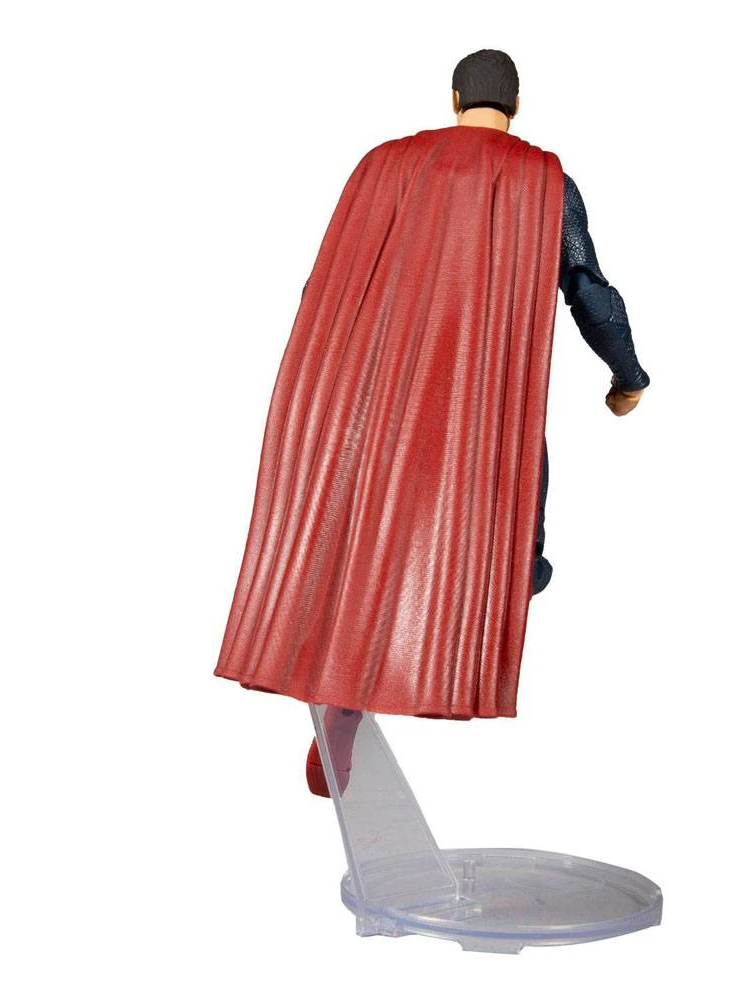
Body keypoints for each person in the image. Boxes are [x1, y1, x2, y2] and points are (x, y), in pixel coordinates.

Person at [211, 50, 650, 794]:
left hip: (368, 399)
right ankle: (432, 649)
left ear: (453, 98)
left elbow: (330, 281)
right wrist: (627, 375)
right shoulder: (547, 185)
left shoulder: (385, 166)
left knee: (361, 545)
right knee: (516, 558)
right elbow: (589, 292)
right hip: (479, 414)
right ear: (517, 105)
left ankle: (346, 699)